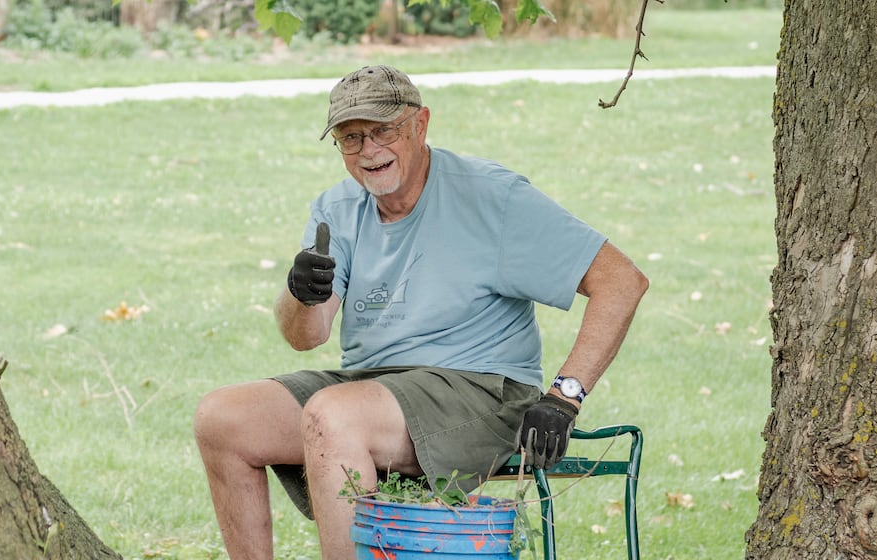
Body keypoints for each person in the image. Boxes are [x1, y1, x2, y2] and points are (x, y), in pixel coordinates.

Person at [193, 64, 649, 559]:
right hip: (375, 386)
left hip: (481, 388)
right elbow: (308, 335)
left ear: (420, 124)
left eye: (383, 130)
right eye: (351, 138)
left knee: (335, 416)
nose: (369, 150)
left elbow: (621, 280)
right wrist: (299, 293)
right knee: (223, 419)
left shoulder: (490, 196)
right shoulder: (337, 209)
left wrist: (565, 397)